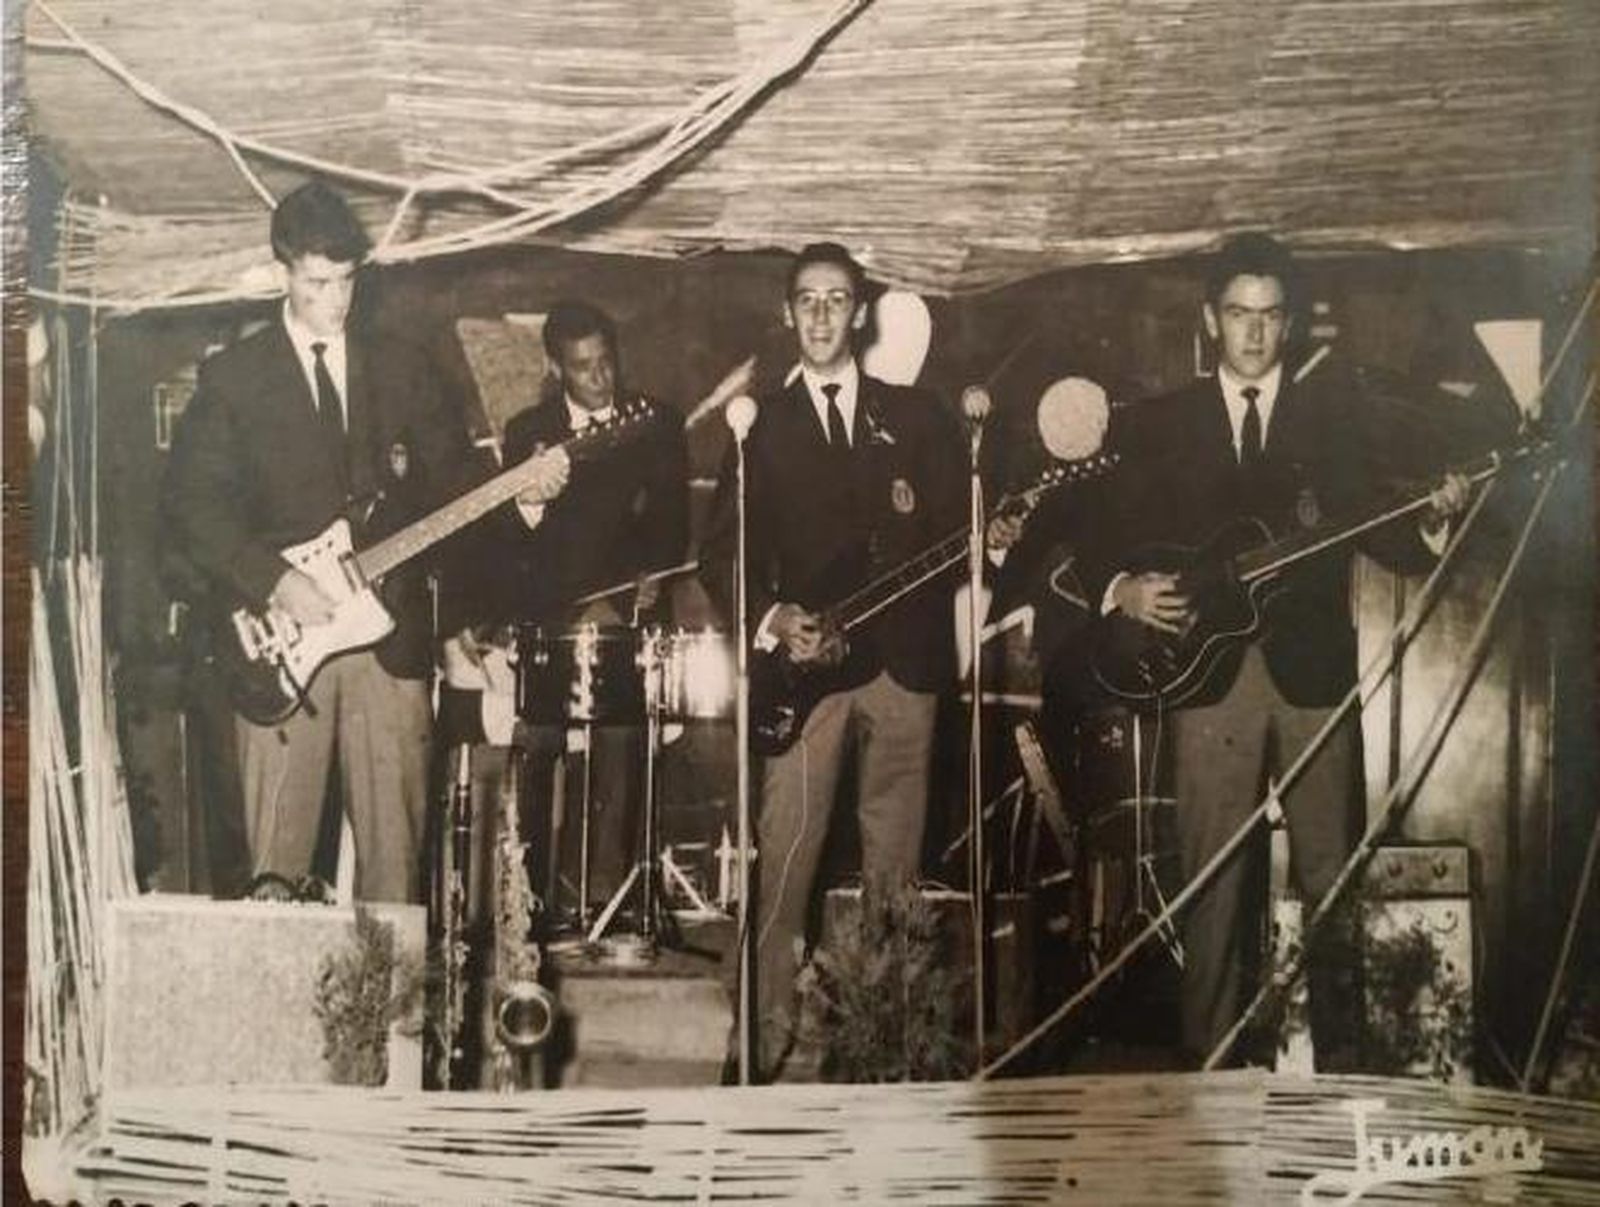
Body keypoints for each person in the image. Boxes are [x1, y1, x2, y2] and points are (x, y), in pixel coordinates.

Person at [1083, 232, 1469, 1069]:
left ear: (1288, 325)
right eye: (1237, 313)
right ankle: (1212, 1088)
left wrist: (1435, 513)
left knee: (1333, 886)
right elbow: (1096, 534)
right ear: (1210, 319)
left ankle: (1340, 1089)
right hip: (1205, 682)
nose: (1254, 333)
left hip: (1313, 678)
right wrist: (1124, 589)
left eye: (1270, 316)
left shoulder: (1336, 418)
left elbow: (1384, 527)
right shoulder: (1161, 422)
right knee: (1213, 889)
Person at [164, 179, 567, 904]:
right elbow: (193, 506)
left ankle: (397, 1022)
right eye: (318, 283)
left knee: (395, 872)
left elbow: (455, 483)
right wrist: (273, 580)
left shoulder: (404, 367)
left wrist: (522, 496)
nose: (336, 301)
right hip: (282, 644)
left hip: (390, 639)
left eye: (347, 281)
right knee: (275, 876)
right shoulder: (234, 379)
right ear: (284, 272)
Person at [701, 242, 967, 1079]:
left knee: (896, 878)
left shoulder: (920, 418)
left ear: (861, 312)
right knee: (784, 862)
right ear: (789, 315)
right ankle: (759, 1045)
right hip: (806, 680)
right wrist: (776, 618)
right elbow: (721, 556)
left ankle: (886, 1047)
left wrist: (993, 536)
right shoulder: (758, 426)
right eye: (806, 301)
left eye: (837, 300)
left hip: (906, 673)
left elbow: (956, 540)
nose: (821, 315)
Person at [443, 298, 688, 918]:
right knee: (537, 744)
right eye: (584, 367)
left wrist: (643, 581)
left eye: (607, 361)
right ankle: (524, 902)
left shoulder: (657, 421)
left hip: (623, 613)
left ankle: (608, 901)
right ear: (557, 367)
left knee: (622, 743)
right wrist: (529, 506)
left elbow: (671, 525)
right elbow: (515, 539)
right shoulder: (529, 432)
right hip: (550, 615)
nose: (601, 378)